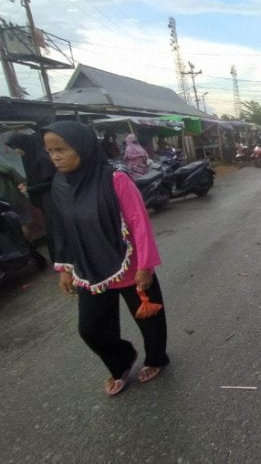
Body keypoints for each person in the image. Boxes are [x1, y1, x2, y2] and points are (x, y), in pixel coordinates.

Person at [43, 121, 169, 396]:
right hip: (90, 269)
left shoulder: (115, 179)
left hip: (130, 265)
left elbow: (139, 222)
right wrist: (64, 268)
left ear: (83, 148)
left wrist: (146, 265)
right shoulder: (60, 185)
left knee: (150, 320)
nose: (55, 156)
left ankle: (156, 358)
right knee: (90, 329)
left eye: (61, 149)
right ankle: (121, 360)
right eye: (50, 151)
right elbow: (62, 227)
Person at [6, 132, 58, 262]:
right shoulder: (30, 157)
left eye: (15, 147)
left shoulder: (42, 158)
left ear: (23, 144)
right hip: (46, 200)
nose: (16, 150)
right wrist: (28, 186)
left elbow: (52, 180)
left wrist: (31, 189)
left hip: (53, 199)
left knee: (57, 228)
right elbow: (35, 178)